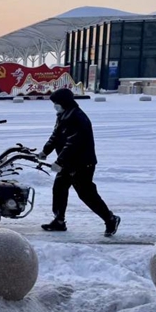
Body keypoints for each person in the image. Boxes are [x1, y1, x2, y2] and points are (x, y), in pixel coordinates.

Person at [37, 88, 120, 237]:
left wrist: (59, 161)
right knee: (59, 189)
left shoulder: (78, 118)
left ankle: (110, 219)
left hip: (82, 163)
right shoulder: (63, 115)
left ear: (64, 102)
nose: (55, 106)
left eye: (56, 103)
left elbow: (73, 143)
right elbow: (55, 136)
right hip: (68, 162)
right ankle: (59, 221)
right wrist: (45, 151)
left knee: (86, 194)